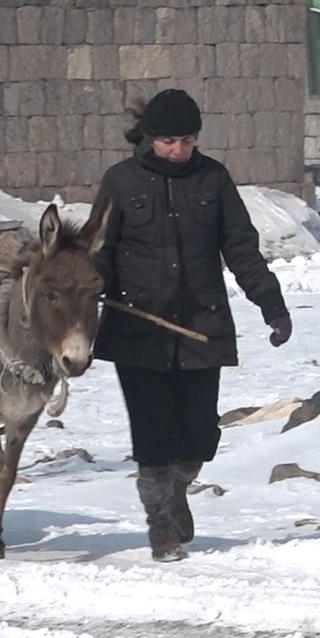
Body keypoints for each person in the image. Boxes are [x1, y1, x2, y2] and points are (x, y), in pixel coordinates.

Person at [90, 89, 292, 562]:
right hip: (137, 330)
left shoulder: (213, 179)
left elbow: (240, 248)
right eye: (168, 142)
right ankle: (160, 525)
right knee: (154, 436)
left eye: (186, 140)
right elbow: (99, 250)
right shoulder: (120, 182)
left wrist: (272, 305)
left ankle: (176, 490)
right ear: (149, 139)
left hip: (203, 325)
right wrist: (93, 286)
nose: (178, 150)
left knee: (201, 435)